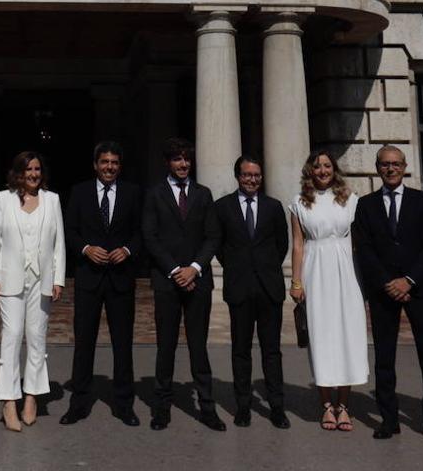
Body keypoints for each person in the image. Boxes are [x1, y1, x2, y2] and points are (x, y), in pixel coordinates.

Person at [351, 144, 423, 443]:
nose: (390, 169)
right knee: (384, 357)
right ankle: (388, 419)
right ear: (377, 168)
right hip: (383, 292)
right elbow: (364, 248)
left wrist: (408, 281)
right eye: (384, 164)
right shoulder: (365, 205)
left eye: (395, 164)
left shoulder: (422, 201)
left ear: (405, 166)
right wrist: (388, 283)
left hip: (419, 289)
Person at [142, 137, 223, 432]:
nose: (183, 164)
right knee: (166, 347)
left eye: (186, 158)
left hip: (198, 281)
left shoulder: (203, 194)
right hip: (167, 281)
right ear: (168, 162)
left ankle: (207, 408)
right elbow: (150, 237)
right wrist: (176, 270)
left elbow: (213, 236)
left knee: (199, 347)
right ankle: (161, 408)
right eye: (177, 158)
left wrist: (194, 269)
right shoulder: (154, 194)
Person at [62, 141, 142, 427]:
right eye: (105, 162)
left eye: (115, 163)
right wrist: (85, 248)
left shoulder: (133, 192)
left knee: (123, 345)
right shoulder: (80, 192)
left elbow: (141, 231)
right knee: (84, 343)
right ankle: (79, 404)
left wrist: (128, 250)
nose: (109, 167)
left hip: (121, 279)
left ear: (120, 166)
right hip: (89, 279)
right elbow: (69, 230)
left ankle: (124, 405)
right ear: (95, 165)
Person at [0, 150, 66, 431]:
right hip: (10, 279)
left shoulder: (52, 200)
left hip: (41, 279)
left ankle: (31, 396)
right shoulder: (2, 199)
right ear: (18, 173)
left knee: (37, 337)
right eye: (28, 170)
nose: (33, 174)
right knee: (12, 335)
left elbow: (58, 243)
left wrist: (58, 278)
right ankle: (9, 400)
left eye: (37, 170)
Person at [288, 150, 368, 433]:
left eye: (327, 166)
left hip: (346, 272)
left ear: (334, 170)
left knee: (347, 336)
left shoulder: (350, 199)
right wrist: (296, 282)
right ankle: (326, 405)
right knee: (321, 338)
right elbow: (297, 244)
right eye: (317, 166)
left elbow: (360, 242)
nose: (322, 170)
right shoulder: (299, 202)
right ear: (310, 171)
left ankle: (343, 405)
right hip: (315, 271)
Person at [213, 155, 290, 429]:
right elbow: (219, 246)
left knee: (272, 352)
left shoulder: (274, 207)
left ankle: (277, 407)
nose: (252, 179)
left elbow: (282, 245)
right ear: (238, 176)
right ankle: (243, 406)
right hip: (239, 288)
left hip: (269, 289)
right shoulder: (222, 207)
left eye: (256, 175)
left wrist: (265, 267)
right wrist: (238, 267)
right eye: (247, 175)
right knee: (241, 351)